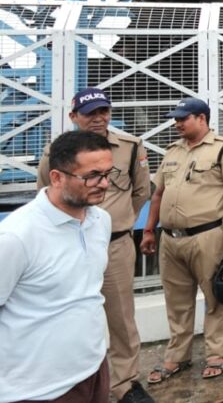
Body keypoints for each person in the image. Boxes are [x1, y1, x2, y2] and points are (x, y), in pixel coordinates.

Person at [36, 88, 154, 403]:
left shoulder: (130, 147)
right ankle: (72, 383)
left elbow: (141, 192)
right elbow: (46, 191)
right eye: (91, 113)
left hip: (115, 246)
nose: (99, 119)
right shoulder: (58, 152)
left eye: (104, 112)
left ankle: (125, 385)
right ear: (74, 117)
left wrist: (118, 220)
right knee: (68, 314)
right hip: (69, 246)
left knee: (121, 318)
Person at [1, 131, 115, 403]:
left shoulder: (100, 221)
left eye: (109, 173)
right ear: (56, 177)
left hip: (94, 370)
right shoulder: (16, 237)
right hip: (37, 390)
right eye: (92, 175)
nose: (104, 184)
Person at [141, 98, 223, 383]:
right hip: (171, 239)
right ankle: (177, 357)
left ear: (201, 119)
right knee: (176, 302)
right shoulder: (172, 152)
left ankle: (215, 354)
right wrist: (149, 229)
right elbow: (158, 194)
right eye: (175, 118)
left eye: (182, 118)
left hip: (208, 235)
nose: (177, 123)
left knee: (215, 298)